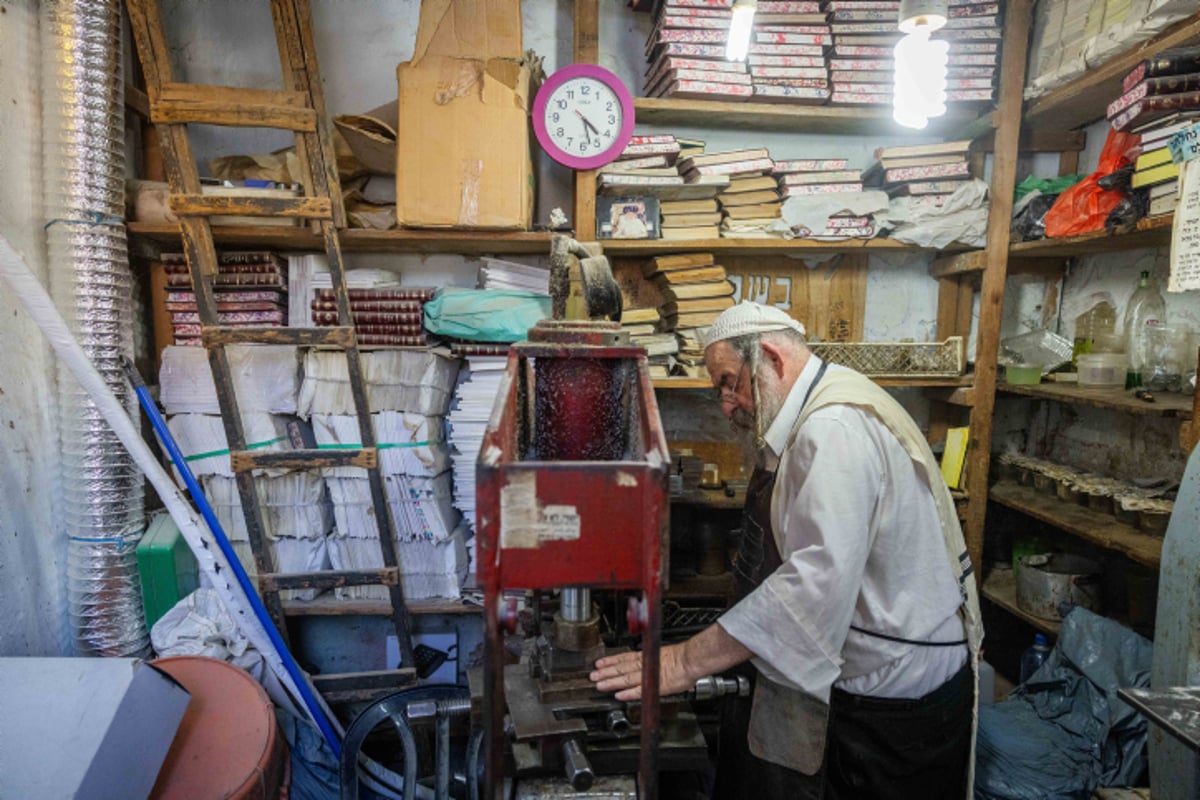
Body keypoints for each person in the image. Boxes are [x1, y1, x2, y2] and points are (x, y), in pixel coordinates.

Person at [589, 301, 983, 800]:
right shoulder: (814, 412)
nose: (727, 404)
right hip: (875, 675)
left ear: (772, 358)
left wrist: (682, 663)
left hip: (899, 701)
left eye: (729, 382)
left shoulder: (832, 428)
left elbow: (813, 585)